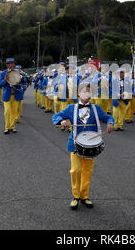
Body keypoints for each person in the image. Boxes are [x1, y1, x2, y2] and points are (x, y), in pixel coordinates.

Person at [52, 82, 114, 210]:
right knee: (76, 170)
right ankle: (75, 196)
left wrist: (110, 122)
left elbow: (107, 117)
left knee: (87, 171)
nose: (87, 94)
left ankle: (84, 195)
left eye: (89, 92)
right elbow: (56, 116)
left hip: (91, 146)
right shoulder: (71, 108)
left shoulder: (96, 109)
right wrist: (61, 121)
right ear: (78, 94)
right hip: (75, 144)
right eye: (84, 92)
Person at [0, 58, 20, 134]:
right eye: (10, 63)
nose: (12, 65)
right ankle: (6, 127)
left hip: (15, 95)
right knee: (7, 112)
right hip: (7, 95)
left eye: (13, 63)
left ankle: (12, 127)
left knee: (14, 112)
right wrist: (5, 80)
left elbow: (21, 83)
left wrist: (21, 78)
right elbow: (1, 84)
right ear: (7, 65)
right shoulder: (3, 73)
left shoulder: (17, 72)